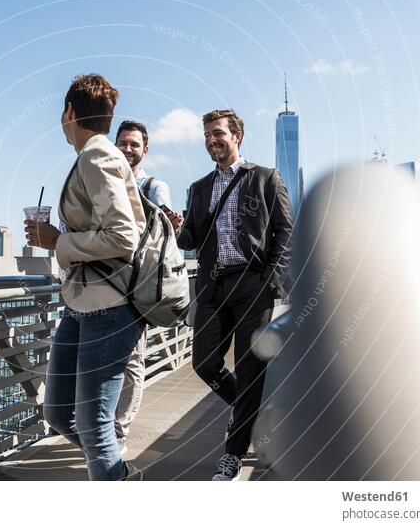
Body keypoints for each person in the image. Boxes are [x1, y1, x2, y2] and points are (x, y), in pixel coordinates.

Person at [24, 74, 146, 481]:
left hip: (109, 308)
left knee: (94, 424)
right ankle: (117, 472)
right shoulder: (91, 157)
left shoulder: (98, 157)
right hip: (81, 306)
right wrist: (60, 243)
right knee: (58, 412)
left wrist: (59, 241)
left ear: (70, 113)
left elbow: (123, 235)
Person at [171, 109, 293, 481]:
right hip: (211, 287)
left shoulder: (264, 177)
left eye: (218, 133)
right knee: (205, 364)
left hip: (252, 285)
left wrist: (270, 281)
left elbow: (286, 231)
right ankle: (254, 415)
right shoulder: (199, 188)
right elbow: (191, 239)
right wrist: (177, 226)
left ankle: (233, 454)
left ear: (236, 136)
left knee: (250, 369)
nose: (212, 140)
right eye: (207, 135)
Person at [113, 120, 182, 454]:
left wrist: (171, 219)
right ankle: (98, 426)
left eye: (134, 144)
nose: (128, 149)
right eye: (123, 143)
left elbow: (165, 228)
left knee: (131, 359)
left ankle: (118, 431)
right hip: (105, 282)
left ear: (145, 150)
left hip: (138, 284)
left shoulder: (154, 186)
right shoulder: (105, 181)